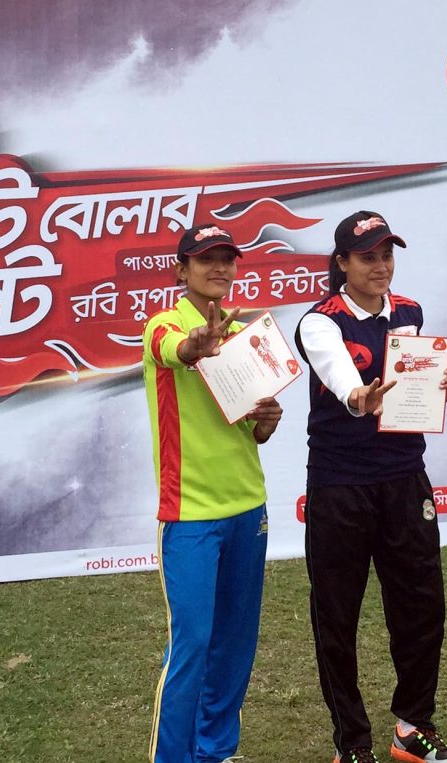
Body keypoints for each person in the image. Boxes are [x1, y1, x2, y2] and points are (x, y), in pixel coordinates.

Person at [294, 211, 447, 763]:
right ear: (342, 262)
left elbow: (415, 387)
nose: (380, 266)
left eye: (387, 255)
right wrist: (357, 396)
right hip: (340, 486)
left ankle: (413, 729)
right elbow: (339, 372)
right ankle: (353, 745)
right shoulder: (320, 320)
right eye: (367, 256)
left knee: (422, 607)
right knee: (337, 616)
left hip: (404, 478)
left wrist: (442, 388)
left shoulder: (410, 311)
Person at [143, 224, 283, 763]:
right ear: (182, 270)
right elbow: (170, 348)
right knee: (193, 645)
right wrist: (193, 345)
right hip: (191, 514)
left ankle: (217, 751)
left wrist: (268, 419)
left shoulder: (245, 334)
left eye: (227, 260)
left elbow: (253, 429)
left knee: (234, 645)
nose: (218, 269)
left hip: (248, 507)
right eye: (206, 260)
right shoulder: (163, 325)